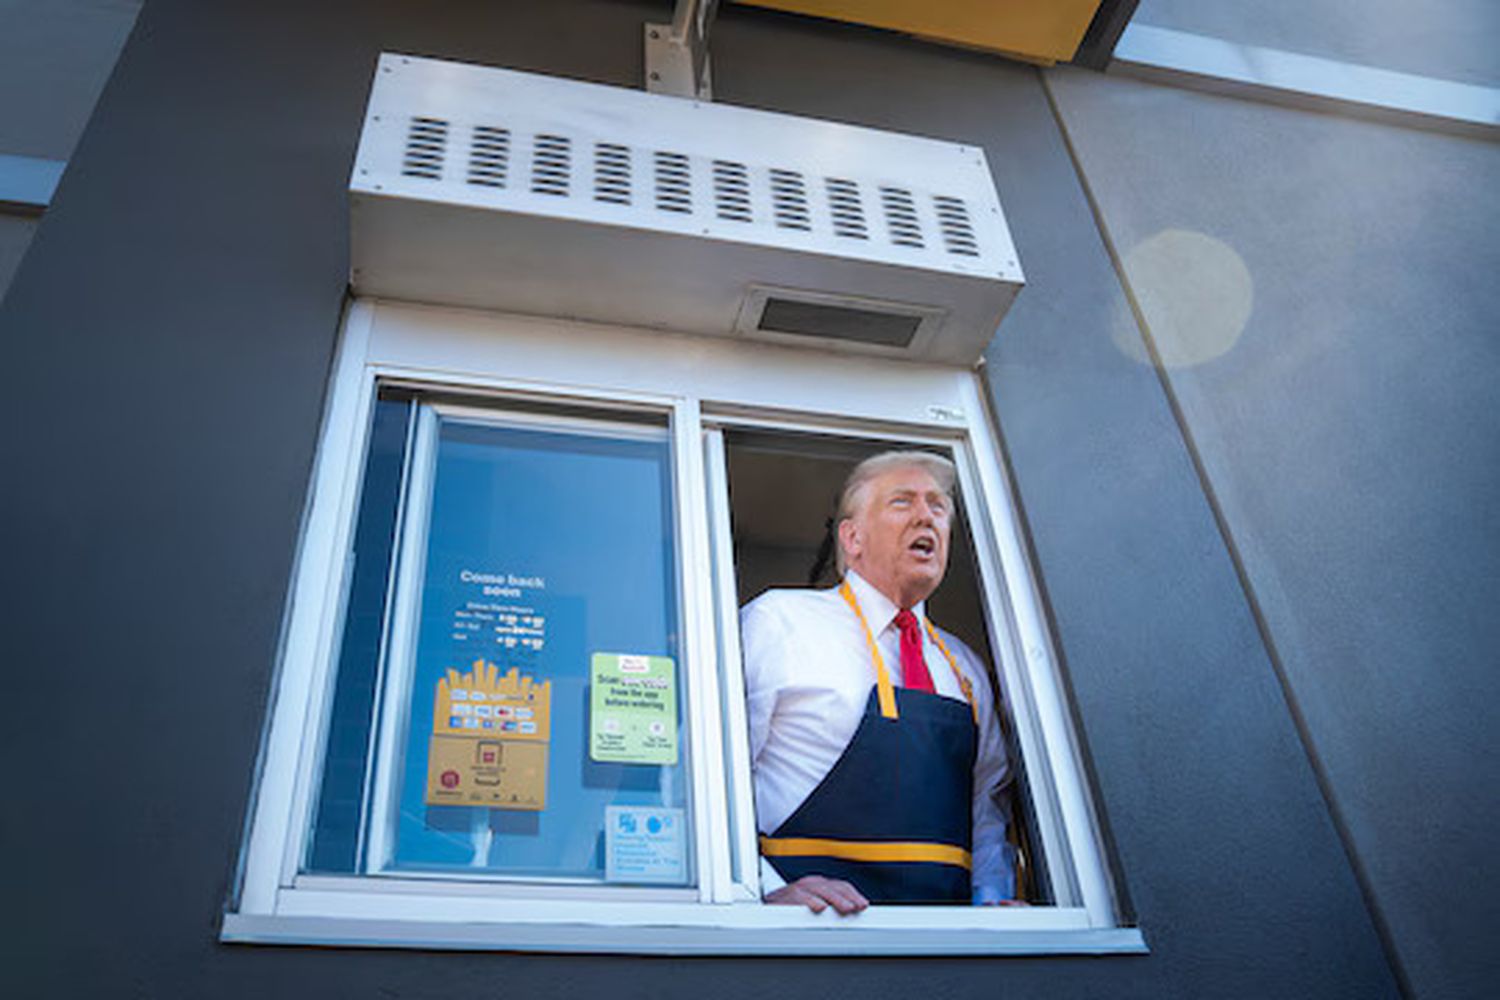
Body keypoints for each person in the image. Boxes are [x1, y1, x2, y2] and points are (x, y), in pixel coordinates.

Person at [740, 450, 1017, 914]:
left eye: (938, 506)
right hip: (810, 937)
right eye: (902, 502)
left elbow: (986, 812)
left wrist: (994, 906)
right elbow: (714, 777)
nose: (926, 516)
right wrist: (757, 889)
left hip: (948, 951)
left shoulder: (965, 666)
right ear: (852, 538)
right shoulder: (780, 621)